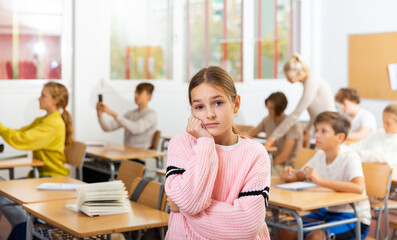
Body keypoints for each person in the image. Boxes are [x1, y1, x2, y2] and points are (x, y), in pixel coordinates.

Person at [165, 66, 271, 239]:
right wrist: (205, 143)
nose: (209, 114)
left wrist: (185, 207)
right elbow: (191, 201)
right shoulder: (181, 143)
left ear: (235, 104)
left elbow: (248, 224)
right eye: (199, 106)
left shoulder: (255, 154)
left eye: (218, 103)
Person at [279, 111, 371, 240]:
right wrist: (290, 176)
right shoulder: (320, 154)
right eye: (316, 130)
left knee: (316, 237)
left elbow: (358, 188)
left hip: (354, 217)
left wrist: (320, 180)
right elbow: (301, 174)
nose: (316, 135)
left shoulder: (350, 157)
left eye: (323, 131)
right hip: (326, 212)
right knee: (286, 230)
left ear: (339, 137)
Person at [0, 82, 73, 177]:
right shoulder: (42, 120)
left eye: (43, 96)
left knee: (5, 187)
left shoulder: (54, 124)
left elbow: (23, 139)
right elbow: (20, 133)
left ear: (55, 100)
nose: (39, 99)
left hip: (51, 176)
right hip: (40, 174)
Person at [265, 54, 336, 149]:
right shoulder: (309, 82)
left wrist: (273, 137)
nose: (287, 81)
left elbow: (296, 113)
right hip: (322, 125)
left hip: (329, 127)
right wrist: (307, 130)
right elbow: (316, 114)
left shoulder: (312, 82)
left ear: (300, 73)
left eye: (289, 78)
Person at [250, 92, 303, 176]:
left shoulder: (292, 125)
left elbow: (284, 157)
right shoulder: (268, 119)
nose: (268, 111)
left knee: (258, 174)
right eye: (267, 107)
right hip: (274, 162)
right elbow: (251, 133)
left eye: (271, 108)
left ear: (279, 108)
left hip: (287, 166)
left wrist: (266, 166)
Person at [96, 82, 157, 149]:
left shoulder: (151, 114)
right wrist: (100, 115)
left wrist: (112, 113)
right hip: (127, 153)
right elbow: (108, 128)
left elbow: (135, 128)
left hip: (141, 155)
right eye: (135, 92)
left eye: (139, 93)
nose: (135, 96)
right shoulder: (130, 114)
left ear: (149, 96)